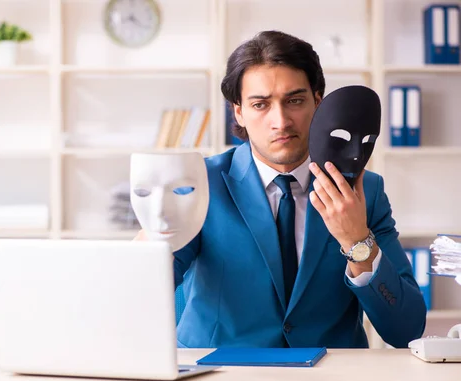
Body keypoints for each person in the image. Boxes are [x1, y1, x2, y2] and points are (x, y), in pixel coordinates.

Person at [136, 30, 426, 349]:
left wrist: (358, 241)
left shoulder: (364, 191)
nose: (281, 121)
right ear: (238, 112)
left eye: (295, 100)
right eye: (261, 104)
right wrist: (146, 250)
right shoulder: (198, 182)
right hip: (221, 379)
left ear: (318, 101)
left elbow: (406, 330)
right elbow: (142, 296)